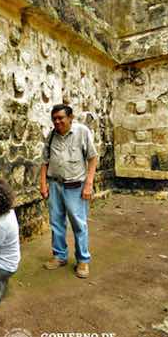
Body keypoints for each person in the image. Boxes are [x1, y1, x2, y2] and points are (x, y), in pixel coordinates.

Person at [39, 104, 98, 279]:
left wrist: (89, 183)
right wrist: (43, 183)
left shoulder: (82, 132)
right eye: (54, 119)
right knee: (56, 223)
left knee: (79, 224)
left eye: (60, 118)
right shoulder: (51, 136)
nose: (57, 122)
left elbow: (92, 158)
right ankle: (59, 256)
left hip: (76, 186)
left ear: (70, 118)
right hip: (55, 185)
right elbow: (44, 161)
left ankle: (83, 260)